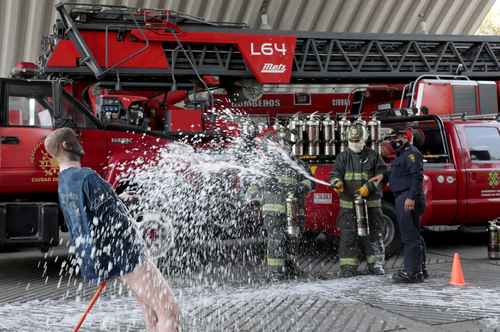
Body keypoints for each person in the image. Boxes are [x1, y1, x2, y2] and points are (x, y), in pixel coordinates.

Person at [44, 128, 180, 332]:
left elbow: (84, 217)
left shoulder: (65, 182)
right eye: (76, 139)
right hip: (126, 254)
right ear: (66, 145)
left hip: (108, 256)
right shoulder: (88, 177)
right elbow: (115, 222)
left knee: (150, 308)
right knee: (168, 311)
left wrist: (117, 199)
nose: (81, 142)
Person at [330, 123, 387, 277]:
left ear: (364, 139)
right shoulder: (343, 157)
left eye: (358, 141)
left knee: (374, 235)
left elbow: (382, 176)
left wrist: (369, 187)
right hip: (348, 206)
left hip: (371, 206)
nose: (355, 144)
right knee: (348, 236)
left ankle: (376, 264)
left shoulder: (374, 156)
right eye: (352, 141)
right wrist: (337, 183)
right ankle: (348, 267)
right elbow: (335, 174)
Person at [256, 126, 311, 281]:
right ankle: (275, 272)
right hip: (274, 209)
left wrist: (303, 186)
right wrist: (267, 183)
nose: (284, 146)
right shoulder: (267, 164)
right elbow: (253, 183)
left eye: (286, 144)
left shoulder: (297, 164)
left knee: (292, 239)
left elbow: (311, 181)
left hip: (294, 210)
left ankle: (289, 267)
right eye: (280, 143)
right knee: (277, 239)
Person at [374, 128, 427, 283]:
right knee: (415, 236)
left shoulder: (412, 154)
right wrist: (383, 176)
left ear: (405, 137)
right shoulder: (402, 154)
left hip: (407, 198)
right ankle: (420, 269)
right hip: (404, 197)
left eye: (395, 137)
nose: (392, 141)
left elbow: (417, 177)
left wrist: (410, 198)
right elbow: (397, 170)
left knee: (409, 237)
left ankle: (411, 273)